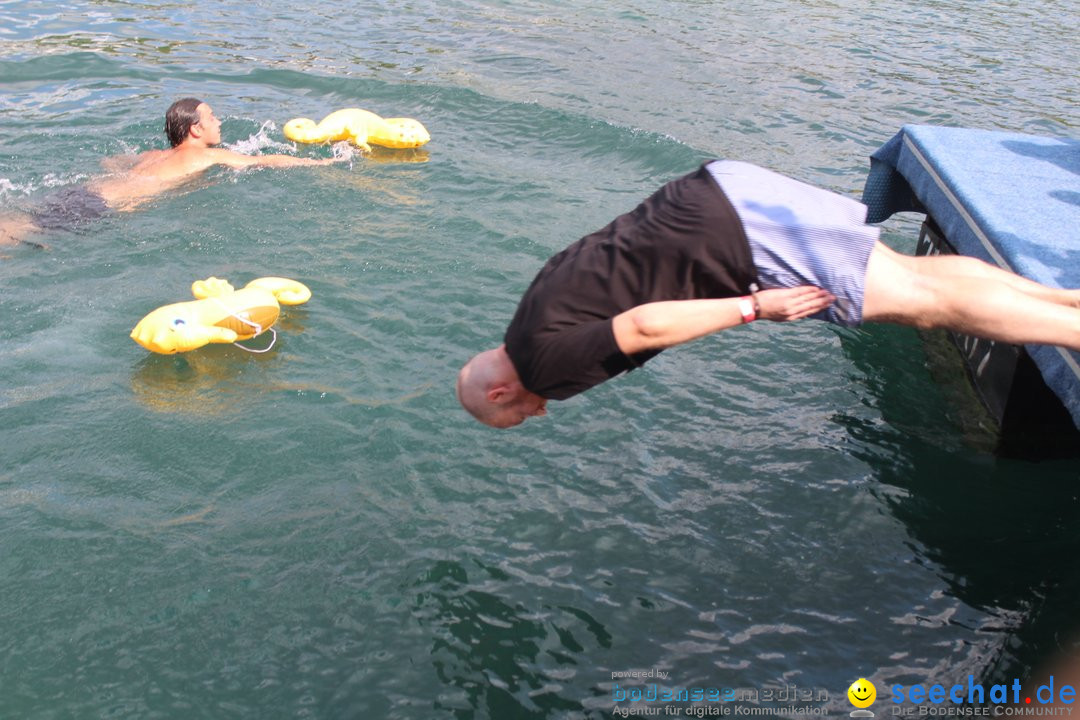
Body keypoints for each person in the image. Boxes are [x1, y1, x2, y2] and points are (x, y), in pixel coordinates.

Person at [457, 160, 1080, 429]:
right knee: (920, 280)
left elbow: (644, 326)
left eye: (518, 415)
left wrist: (755, 307)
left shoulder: (546, 369)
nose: (537, 414)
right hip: (716, 192)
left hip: (735, 238)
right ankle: (1069, 304)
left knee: (928, 305)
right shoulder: (532, 312)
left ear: (501, 390)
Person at [1, 98, 340, 246]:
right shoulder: (205, 158)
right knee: (22, 236)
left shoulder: (150, 155)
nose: (218, 122)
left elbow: (111, 163)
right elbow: (264, 162)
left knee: (21, 222)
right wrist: (322, 163)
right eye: (211, 117)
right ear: (194, 129)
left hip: (86, 192)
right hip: (99, 209)